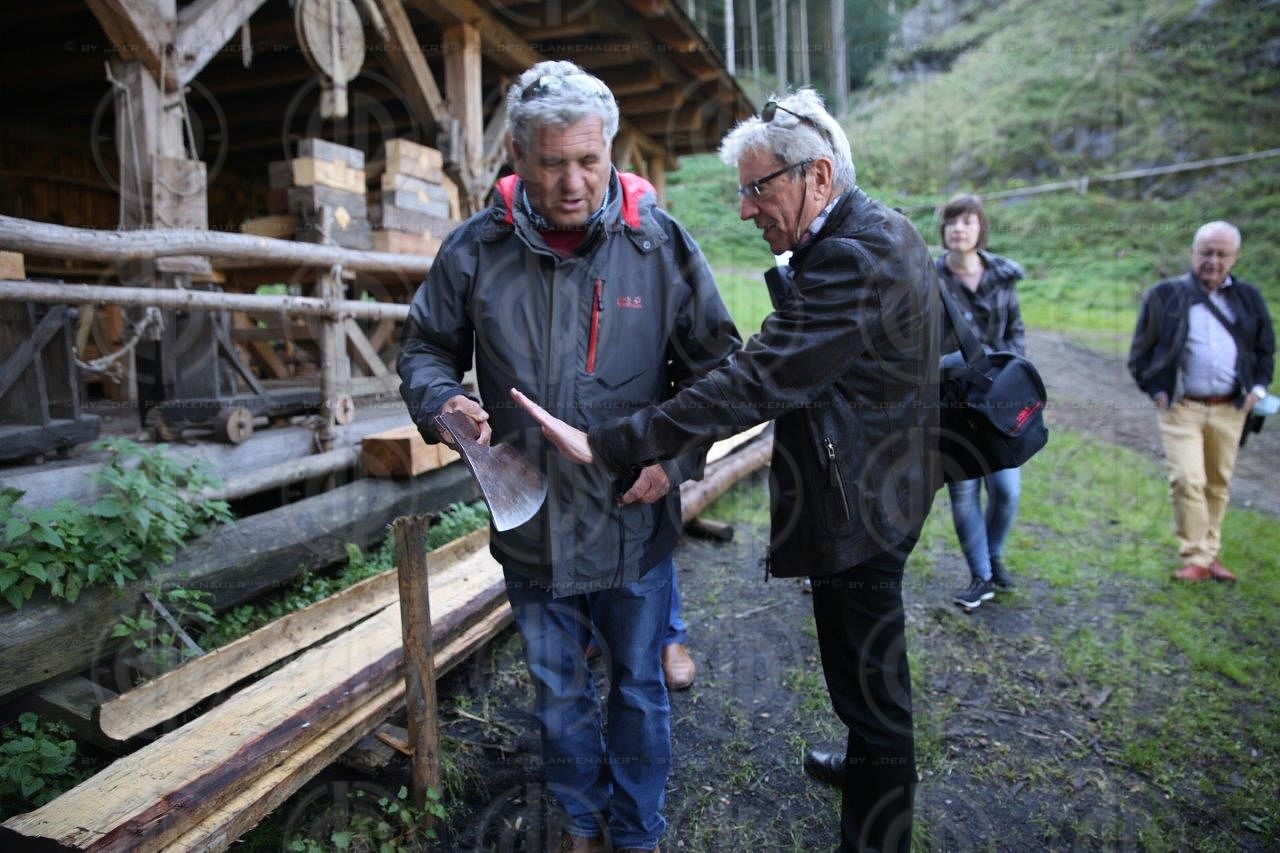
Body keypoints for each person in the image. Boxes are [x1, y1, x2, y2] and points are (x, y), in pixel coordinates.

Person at [511, 88, 941, 853]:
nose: (746, 210)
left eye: (757, 187)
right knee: (857, 663)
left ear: (815, 176)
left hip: (865, 502)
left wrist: (615, 442)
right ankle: (866, 764)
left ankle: (877, 832)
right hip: (886, 484)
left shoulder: (851, 255)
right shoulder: (878, 230)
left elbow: (753, 380)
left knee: (872, 681)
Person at [397, 61, 741, 853]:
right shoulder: (477, 249)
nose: (575, 180)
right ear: (518, 155)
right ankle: (581, 826)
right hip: (532, 523)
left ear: (611, 150)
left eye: (590, 159)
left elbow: (718, 366)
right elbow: (424, 348)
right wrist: (439, 399)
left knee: (639, 688)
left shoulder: (657, 246)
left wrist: (678, 454)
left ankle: (639, 830)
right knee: (557, 692)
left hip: (632, 520)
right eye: (553, 163)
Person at [1128, 221, 1274, 582]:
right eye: (1206, 252)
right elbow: (1139, 353)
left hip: (1231, 407)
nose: (1213, 260)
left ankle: (1208, 555)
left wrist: (1257, 389)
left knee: (1217, 482)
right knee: (1187, 479)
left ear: (1235, 257)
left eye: (1222, 254)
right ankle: (1196, 555)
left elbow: (1265, 350)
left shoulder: (1249, 298)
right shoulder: (1165, 295)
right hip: (1182, 407)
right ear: (1193, 253)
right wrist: (1158, 391)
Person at [935, 193, 1027, 609]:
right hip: (953, 400)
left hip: (1001, 397)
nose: (959, 229)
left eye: (967, 222)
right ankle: (981, 576)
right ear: (943, 231)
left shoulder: (1003, 278)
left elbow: (1016, 334)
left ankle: (993, 553)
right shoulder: (929, 278)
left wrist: (1015, 374)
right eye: (952, 222)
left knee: (1006, 489)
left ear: (980, 229)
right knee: (964, 491)